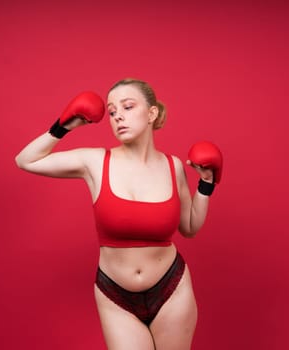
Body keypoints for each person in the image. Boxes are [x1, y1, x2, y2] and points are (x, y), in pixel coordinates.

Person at [15, 78, 222, 350]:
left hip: (171, 288)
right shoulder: (95, 161)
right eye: (112, 112)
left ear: (151, 113)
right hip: (115, 294)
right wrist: (63, 126)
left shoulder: (173, 166)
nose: (118, 117)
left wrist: (206, 185)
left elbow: (190, 228)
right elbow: (25, 160)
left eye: (127, 107)